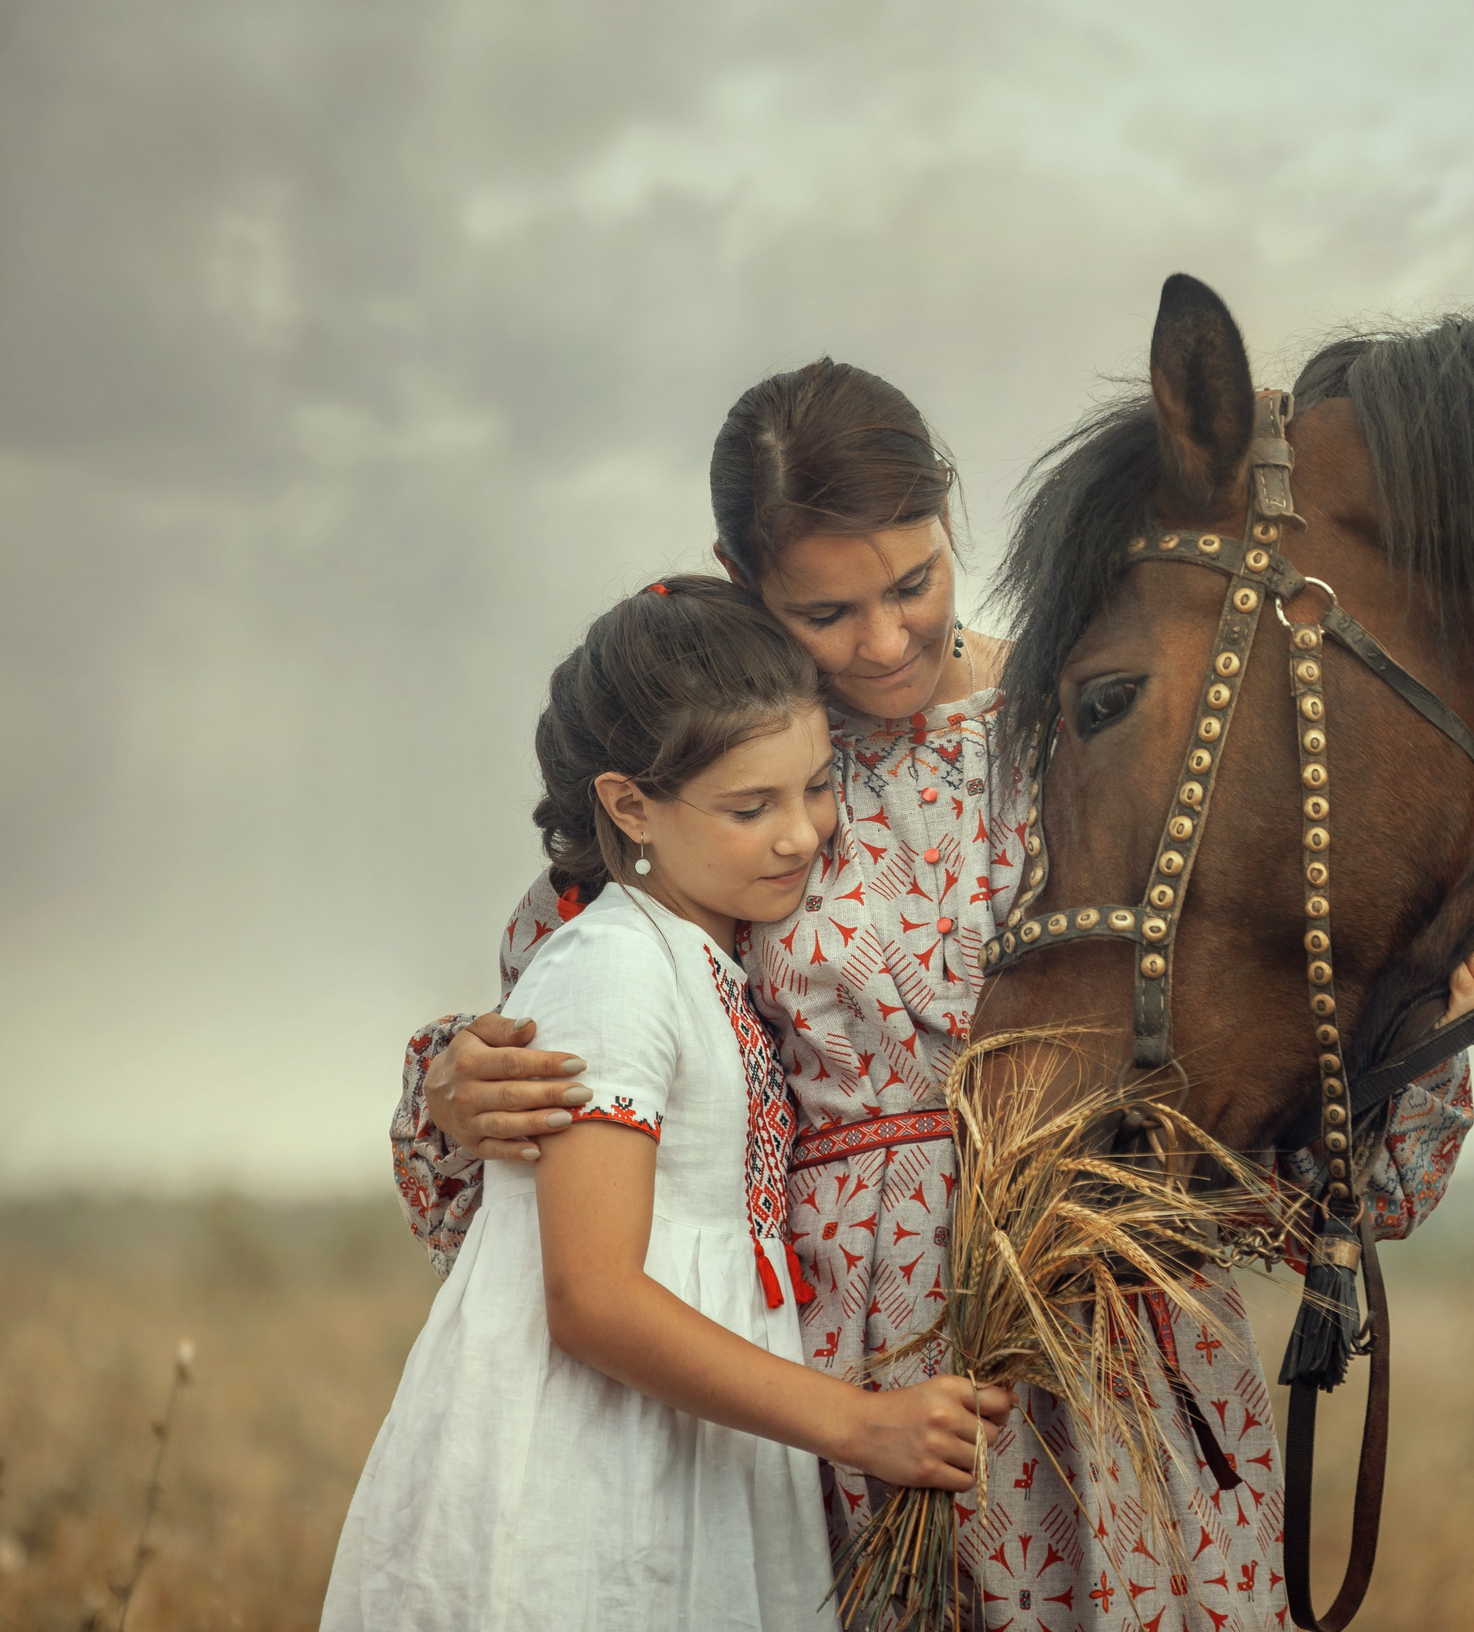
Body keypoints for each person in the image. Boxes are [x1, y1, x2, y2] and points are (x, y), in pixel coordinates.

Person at [388, 360, 1474, 1630]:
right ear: (738, 574)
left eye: (912, 584)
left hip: (1103, 1327)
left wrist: (1420, 1025)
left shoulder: (1093, 717)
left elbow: (1242, 1019)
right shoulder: (724, 776)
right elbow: (580, 981)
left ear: (950, 523)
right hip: (833, 1363)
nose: (882, 643)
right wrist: (460, 1078)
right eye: (824, 613)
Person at [327, 577, 1009, 1631]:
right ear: (631, 805)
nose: (801, 836)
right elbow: (591, 1296)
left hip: (682, 1446)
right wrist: (861, 1427)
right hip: (585, 1462)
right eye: (752, 807)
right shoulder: (612, 969)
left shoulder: (705, 957)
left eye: (817, 787)